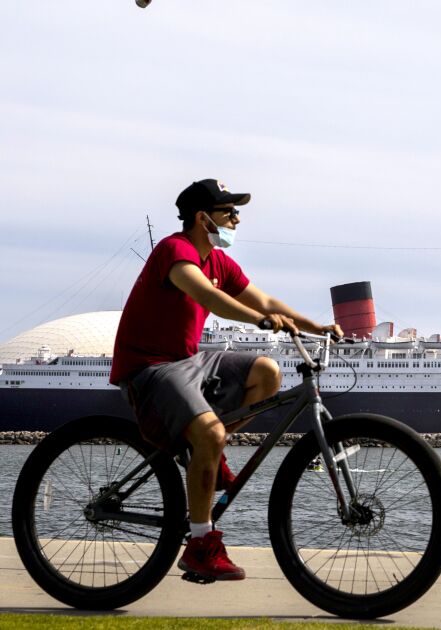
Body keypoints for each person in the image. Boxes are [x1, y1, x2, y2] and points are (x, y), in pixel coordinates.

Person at [109, 179, 343, 580]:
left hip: (187, 362)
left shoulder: (220, 262)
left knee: (268, 372)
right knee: (210, 433)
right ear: (203, 218)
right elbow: (210, 298)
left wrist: (316, 326)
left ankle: (208, 450)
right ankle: (200, 544)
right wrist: (260, 320)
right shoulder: (175, 250)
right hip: (148, 369)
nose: (237, 219)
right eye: (229, 212)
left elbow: (266, 301)